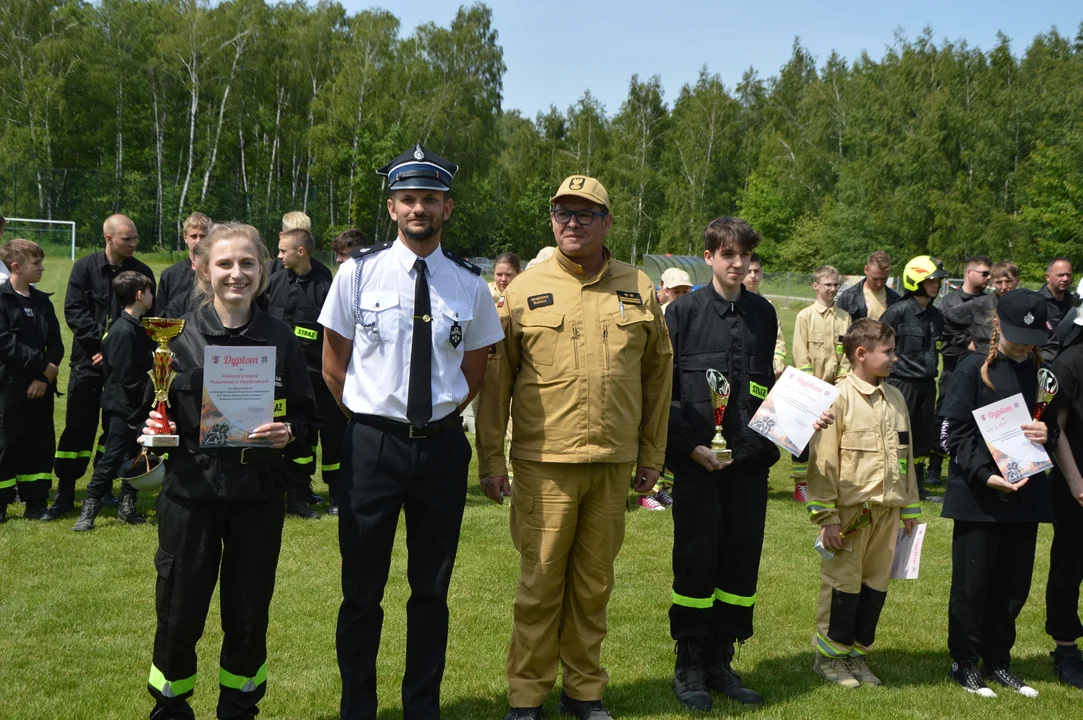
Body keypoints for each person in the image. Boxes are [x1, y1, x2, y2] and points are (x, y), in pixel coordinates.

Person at [476, 175, 671, 720]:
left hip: (612, 465)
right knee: (539, 587)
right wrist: (491, 460)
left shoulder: (640, 287)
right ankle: (526, 696)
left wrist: (652, 454)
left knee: (593, 587)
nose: (572, 222)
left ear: (608, 222)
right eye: (562, 211)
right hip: (545, 465)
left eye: (586, 213)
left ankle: (584, 691)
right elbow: (496, 386)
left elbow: (659, 378)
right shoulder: (523, 289)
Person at [320, 144, 502, 720]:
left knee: (431, 591)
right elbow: (333, 364)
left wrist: (435, 416)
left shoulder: (468, 284)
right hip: (372, 446)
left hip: (442, 449)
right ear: (393, 207)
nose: (418, 208)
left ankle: (422, 708)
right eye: (408, 199)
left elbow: (475, 369)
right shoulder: (357, 273)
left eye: (430, 199)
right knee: (361, 593)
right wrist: (374, 420)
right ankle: (358, 709)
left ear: (446, 208)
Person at [139, 222, 317, 720]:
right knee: (179, 610)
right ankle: (171, 707)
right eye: (224, 264)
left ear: (262, 270)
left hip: (257, 494)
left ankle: (240, 707)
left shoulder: (280, 337)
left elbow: (306, 416)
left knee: (248, 613)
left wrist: (290, 433)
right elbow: (147, 409)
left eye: (247, 264)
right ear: (202, 269)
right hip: (191, 494)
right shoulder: (173, 335)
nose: (235, 274)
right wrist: (151, 430)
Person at [664, 217, 833, 712]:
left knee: (740, 562)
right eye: (727, 254)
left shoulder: (763, 313)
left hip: (749, 466)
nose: (737, 264)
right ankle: (690, 663)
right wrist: (688, 446)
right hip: (698, 465)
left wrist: (803, 417)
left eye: (744, 256)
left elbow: (767, 388)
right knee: (696, 561)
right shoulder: (683, 314)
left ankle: (722, 660)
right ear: (710, 256)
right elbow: (663, 393)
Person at [939, 289, 1054, 698]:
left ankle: (999, 661)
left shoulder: (1042, 374)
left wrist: (1048, 432)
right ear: (997, 325)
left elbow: (1054, 429)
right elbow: (951, 432)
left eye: (1032, 339)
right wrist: (986, 475)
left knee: (1012, 586)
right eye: (1017, 335)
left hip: (1026, 496)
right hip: (979, 497)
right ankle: (965, 662)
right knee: (973, 586)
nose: (1024, 345)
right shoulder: (972, 369)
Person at [806, 318, 921, 687]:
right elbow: (823, 463)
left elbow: (906, 456)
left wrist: (909, 507)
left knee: (875, 587)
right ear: (861, 353)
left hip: (888, 511)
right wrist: (827, 517)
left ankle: (857, 654)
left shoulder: (896, 398)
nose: (894, 358)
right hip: (853, 514)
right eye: (888, 351)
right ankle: (830, 658)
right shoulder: (837, 398)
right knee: (843, 586)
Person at [52, 214, 156, 517]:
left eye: (135, 238)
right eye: (127, 239)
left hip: (125, 368)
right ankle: (66, 491)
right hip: (89, 362)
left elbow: (149, 321)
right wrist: (104, 345)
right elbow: (74, 311)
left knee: (117, 433)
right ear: (108, 238)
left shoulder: (142, 272)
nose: (134, 243)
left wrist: (114, 351)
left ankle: (110, 489)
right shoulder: (84, 268)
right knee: (77, 430)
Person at [72, 271, 156, 531]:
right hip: (123, 407)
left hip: (139, 405)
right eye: (150, 291)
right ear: (140, 295)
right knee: (112, 457)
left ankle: (127, 505)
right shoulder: (121, 331)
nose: (154, 296)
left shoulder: (139, 327)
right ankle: (90, 508)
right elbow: (126, 375)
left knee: (137, 456)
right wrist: (151, 393)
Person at [266, 226, 339, 518]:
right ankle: (297, 492)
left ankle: (337, 493)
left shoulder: (325, 285)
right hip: (283, 379)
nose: (279, 255)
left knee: (334, 436)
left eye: (283, 250)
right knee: (296, 437)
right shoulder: (273, 282)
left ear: (301, 251)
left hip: (320, 377)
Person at [0, 239, 63, 522]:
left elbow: (56, 344)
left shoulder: (42, 301)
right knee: (7, 442)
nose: (41, 267)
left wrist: (43, 378)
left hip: (40, 387)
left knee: (39, 442)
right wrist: (43, 366)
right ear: (16, 267)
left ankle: (36, 502)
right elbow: (5, 344)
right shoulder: (2, 299)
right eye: (36, 263)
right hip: (9, 385)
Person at [878, 255, 947, 502]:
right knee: (897, 435)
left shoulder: (937, 316)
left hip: (928, 385)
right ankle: (894, 483)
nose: (936, 285)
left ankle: (916, 485)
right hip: (900, 384)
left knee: (922, 436)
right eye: (931, 281)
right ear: (916, 280)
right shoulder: (895, 313)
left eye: (938, 281)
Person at [790, 265, 852, 502]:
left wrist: (841, 382)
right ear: (816, 285)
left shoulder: (845, 318)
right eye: (827, 284)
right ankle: (801, 485)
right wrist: (812, 386)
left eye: (835, 285)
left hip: (836, 387)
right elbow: (800, 351)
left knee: (833, 438)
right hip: (809, 387)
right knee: (803, 438)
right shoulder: (804, 316)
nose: (832, 289)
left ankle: (829, 483)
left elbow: (846, 354)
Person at [928, 256, 992, 485]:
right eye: (984, 273)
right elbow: (942, 335)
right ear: (969, 273)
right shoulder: (949, 303)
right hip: (953, 369)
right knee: (944, 417)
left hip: (982, 372)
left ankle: (977, 464)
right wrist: (968, 344)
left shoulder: (989, 302)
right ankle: (934, 468)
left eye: (989, 274)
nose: (988, 278)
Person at [1045, 313, 1083, 689]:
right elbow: (1054, 426)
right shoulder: (1069, 362)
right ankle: (1066, 646)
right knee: (1071, 563)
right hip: (1078, 483)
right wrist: (1075, 481)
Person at [943, 261, 1020, 359]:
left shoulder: (1026, 305)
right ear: (992, 282)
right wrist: (967, 342)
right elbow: (945, 319)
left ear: (1017, 280)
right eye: (999, 282)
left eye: (1008, 281)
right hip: (985, 362)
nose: (1004, 287)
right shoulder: (980, 305)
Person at [158, 212, 212, 317]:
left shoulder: (218, 273)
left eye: (203, 236)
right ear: (185, 238)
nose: (198, 241)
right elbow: (160, 315)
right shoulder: (170, 275)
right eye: (194, 236)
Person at [745, 253, 787, 377]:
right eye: (749, 271)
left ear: (762, 272)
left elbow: (778, 340)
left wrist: (778, 364)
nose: (753, 276)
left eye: (756, 271)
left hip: (763, 371)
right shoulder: (732, 303)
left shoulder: (768, 307)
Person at [836, 251, 900, 323]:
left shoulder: (896, 300)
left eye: (883, 279)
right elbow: (839, 327)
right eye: (875, 279)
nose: (879, 283)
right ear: (866, 270)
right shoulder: (848, 297)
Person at [1040, 258, 1080, 362]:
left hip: (1071, 361)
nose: (1065, 279)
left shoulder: (1076, 303)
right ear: (1047, 277)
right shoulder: (1036, 303)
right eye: (1060, 275)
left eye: (1068, 275)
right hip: (1044, 361)